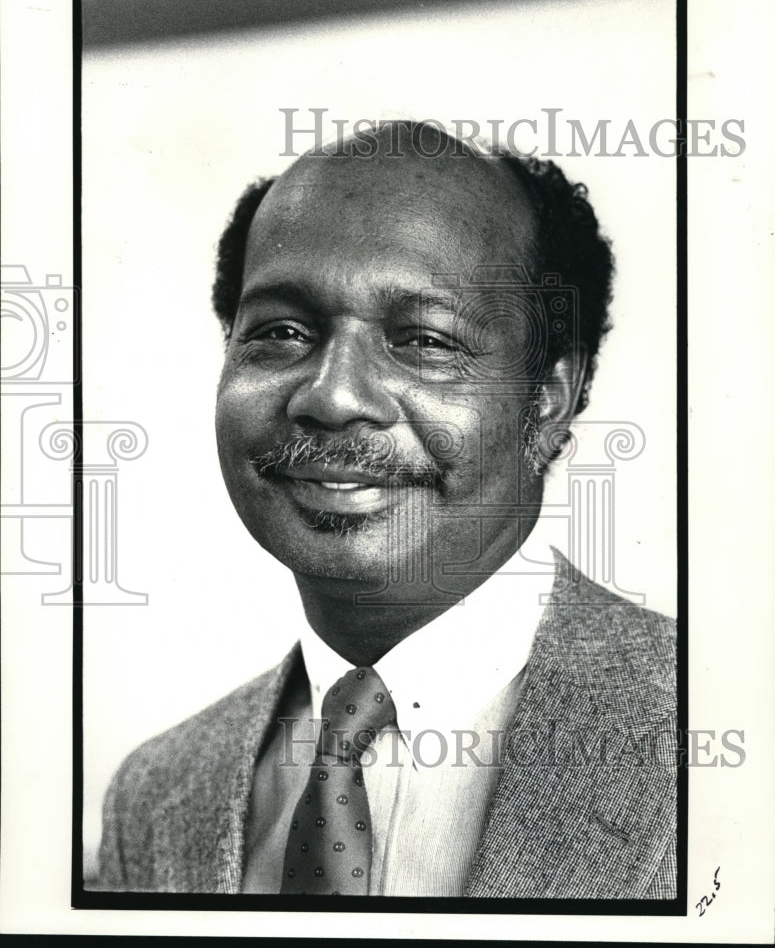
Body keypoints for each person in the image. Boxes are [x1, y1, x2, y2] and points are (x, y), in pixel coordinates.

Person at [97, 121, 676, 898]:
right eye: (281, 332)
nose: (333, 397)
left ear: (547, 399)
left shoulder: (713, 723)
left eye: (424, 341)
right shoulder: (154, 797)